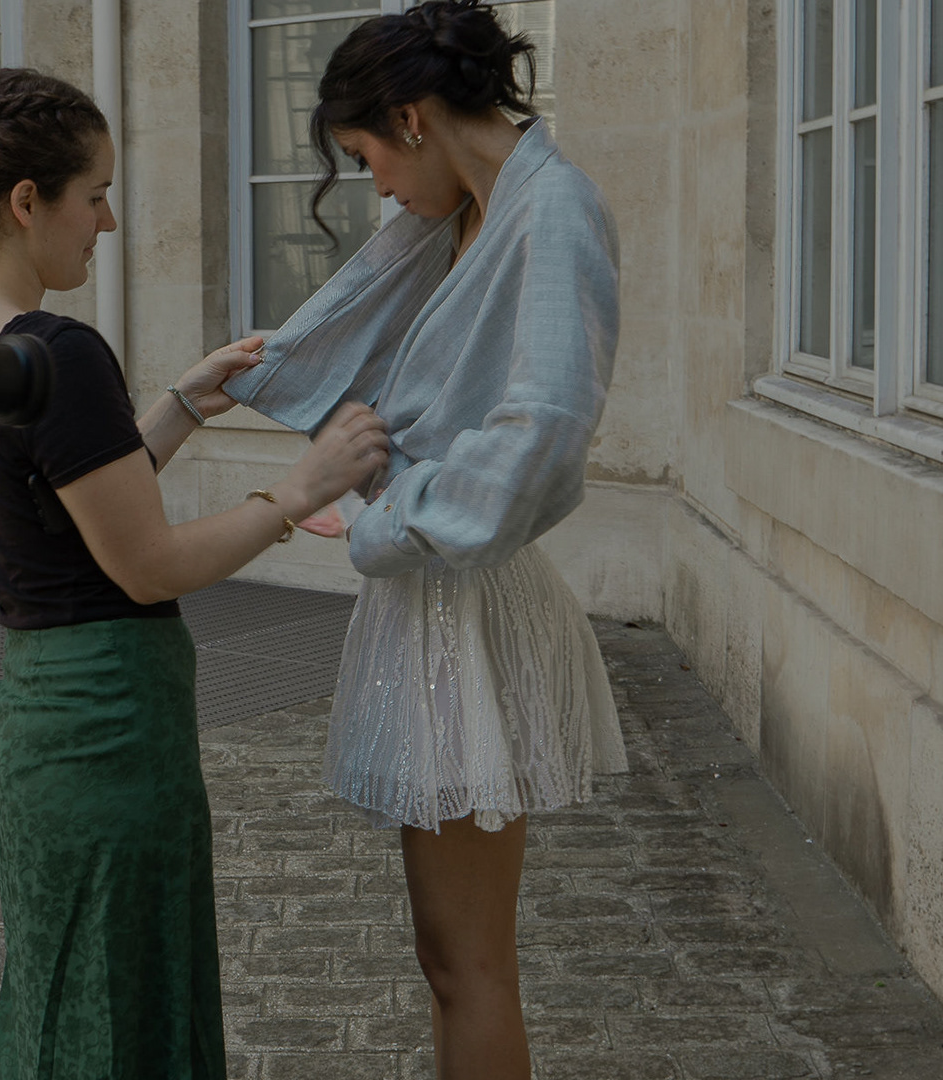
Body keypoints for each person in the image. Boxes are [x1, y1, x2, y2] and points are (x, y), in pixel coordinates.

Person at [0, 69, 390, 1080]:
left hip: (42, 721)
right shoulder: (57, 350)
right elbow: (146, 566)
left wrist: (179, 407)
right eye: (96, 195)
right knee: (124, 1016)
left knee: (63, 1005)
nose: (107, 223)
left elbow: (67, 508)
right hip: (107, 726)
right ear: (29, 202)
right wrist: (299, 490)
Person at [223, 3, 629, 1077]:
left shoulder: (552, 209)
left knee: (468, 962)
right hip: (440, 589)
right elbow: (373, 345)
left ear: (411, 118)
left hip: (466, 595)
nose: (378, 189)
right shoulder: (472, 210)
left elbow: (544, 437)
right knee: (450, 958)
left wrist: (383, 518)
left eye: (368, 158)